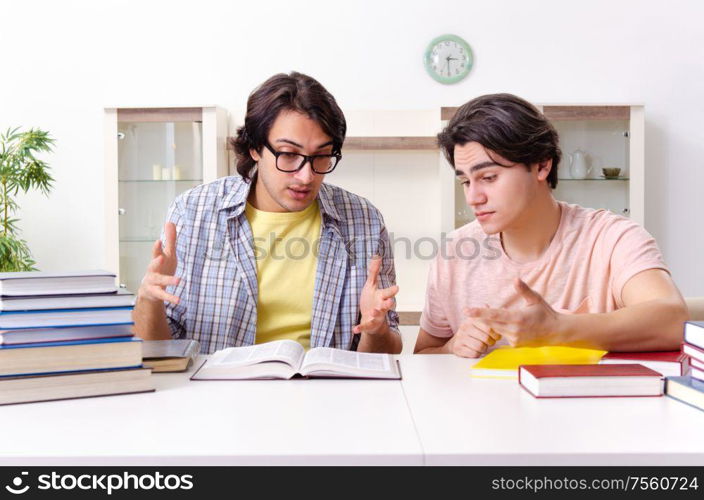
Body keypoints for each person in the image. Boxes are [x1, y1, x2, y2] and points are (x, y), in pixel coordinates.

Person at [133, 72, 401, 354]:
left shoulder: (363, 220)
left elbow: (385, 350)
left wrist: (377, 329)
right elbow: (156, 351)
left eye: (322, 155)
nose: (306, 175)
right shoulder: (193, 211)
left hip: (324, 393)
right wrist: (148, 300)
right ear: (254, 148)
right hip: (217, 395)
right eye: (288, 154)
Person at [414, 93, 688, 357]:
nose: (474, 197)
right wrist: (451, 348)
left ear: (542, 166)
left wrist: (559, 329)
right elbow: (424, 355)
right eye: (465, 182)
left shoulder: (611, 238)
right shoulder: (453, 253)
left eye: (488, 177)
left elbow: (673, 319)